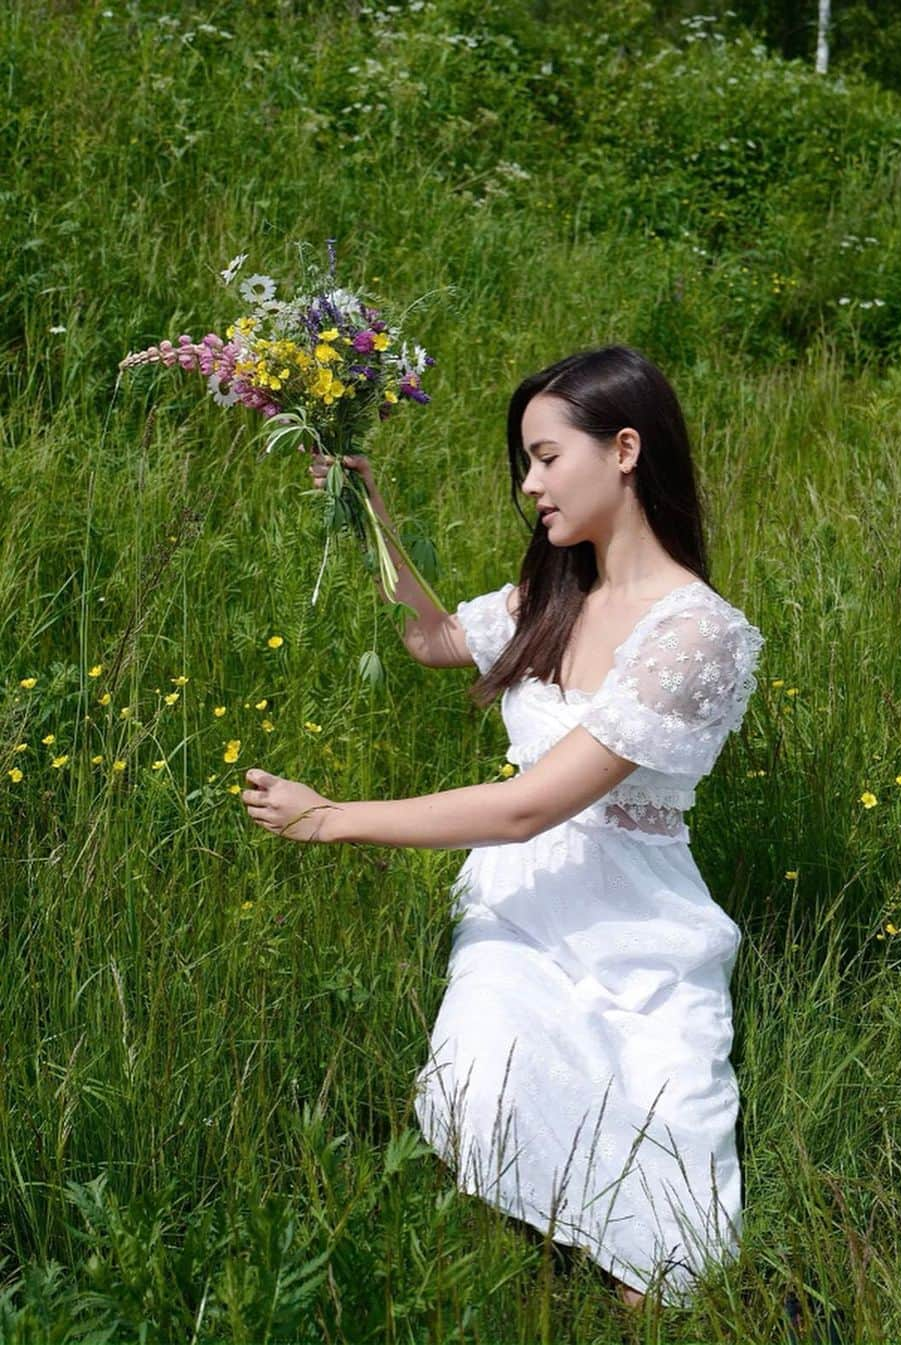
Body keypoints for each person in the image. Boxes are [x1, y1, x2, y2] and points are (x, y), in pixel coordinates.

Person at [241, 344, 765, 1312]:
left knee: (672, 1208)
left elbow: (528, 806)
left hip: (636, 922)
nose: (528, 485)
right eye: (524, 462)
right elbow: (434, 638)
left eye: (543, 456)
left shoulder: (699, 632)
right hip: (521, 906)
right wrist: (370, 515)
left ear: (623, 449)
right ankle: (534, 1249)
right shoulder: (553, 597)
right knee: (479, 1078)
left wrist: (331, 819)